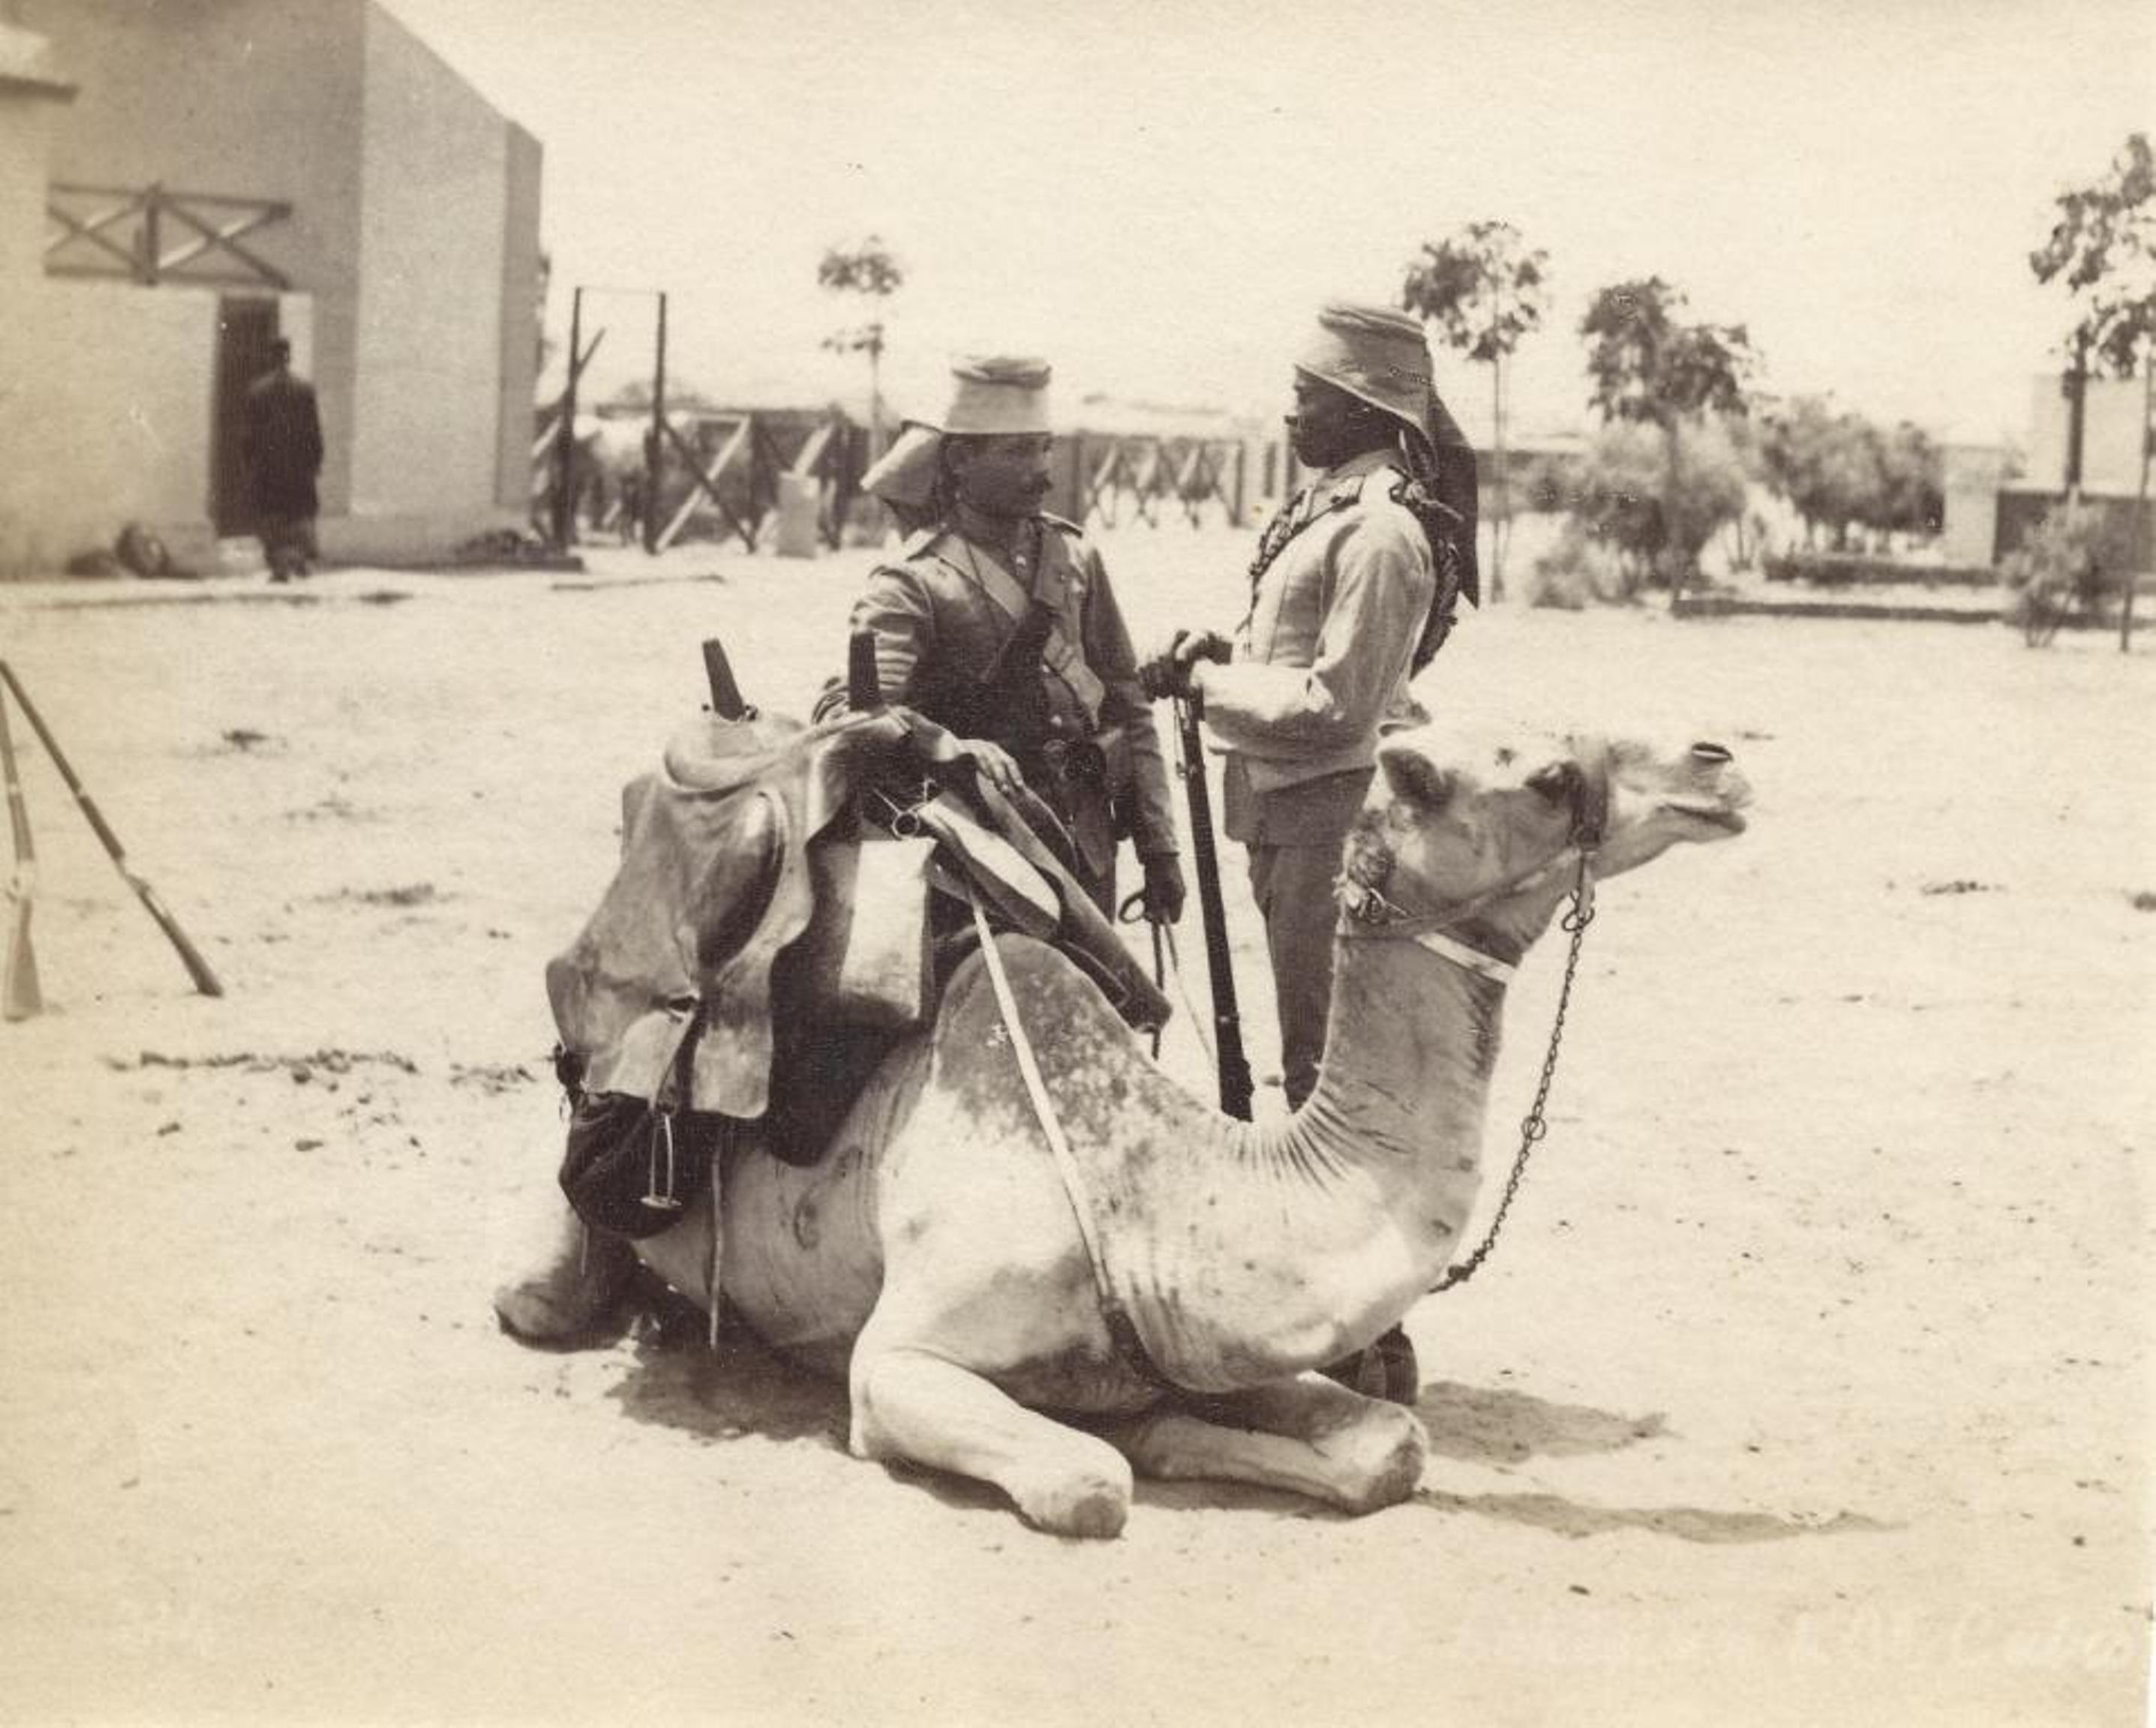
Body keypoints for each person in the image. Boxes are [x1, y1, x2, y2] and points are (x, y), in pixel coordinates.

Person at [1142, 303, 1479, 1402]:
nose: (1291, 407)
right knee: (1304, 1072)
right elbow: (1289, 654)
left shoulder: (1380, 530)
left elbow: (1338, 705)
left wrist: (1207, 685)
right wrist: (1222, 652)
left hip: (1329, 811)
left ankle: (1367, 1333)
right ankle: (1321, 1309)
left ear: (1365, 405)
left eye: (1310, 393)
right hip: (1285, 811)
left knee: (1326, 1081)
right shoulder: (1327, 512)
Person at [823, 356, 1184, 926]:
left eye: (1045, 447)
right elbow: (855, 712)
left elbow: (1127, 704)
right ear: (961, 461)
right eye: (1018, 451)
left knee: (1100, 1006)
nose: (1043, 470)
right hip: (977, 860)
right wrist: (947, 743)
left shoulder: (1075, 558)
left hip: (1085, 849)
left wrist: (1159, 846)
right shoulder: (912, 581)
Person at [243, 337, 324, 583]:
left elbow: (249, 434)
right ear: (289, 357)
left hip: (269, 468)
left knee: (271, 517)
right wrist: (316, 462)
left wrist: (249, 463)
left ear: (271, 357)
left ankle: (281, 566)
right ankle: (299, 560)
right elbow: (314, 431)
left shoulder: (257, 391)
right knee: (299, 515)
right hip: (298, 468)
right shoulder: (304, 389)